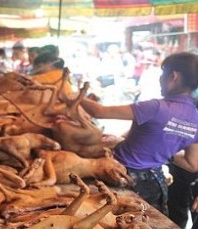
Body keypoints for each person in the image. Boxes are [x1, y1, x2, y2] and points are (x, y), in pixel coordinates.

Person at [79, 52, 198, 215]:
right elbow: (192, 164)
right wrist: (162, 153)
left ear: (173, 77)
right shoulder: (195, 117)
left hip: (119, 175)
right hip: (154, 183)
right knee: (144, 227)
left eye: (163, 74)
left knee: (104, 220)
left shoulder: (155, 107)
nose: (160, 79)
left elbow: (98, 111)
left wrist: (69, 95)